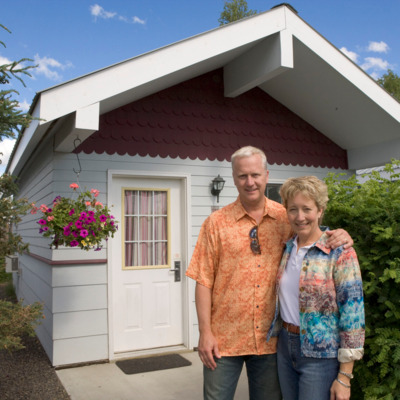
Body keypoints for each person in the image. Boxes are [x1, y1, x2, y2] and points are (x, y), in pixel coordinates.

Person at [186, 146, 353, 400]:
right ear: (234, 178)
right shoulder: (215, 223)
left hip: (270, 342)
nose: (249, 182)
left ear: (266, 175)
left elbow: (313, 233)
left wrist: (340, 235)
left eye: (255, 175)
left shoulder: (285, 218)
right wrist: (205, 332)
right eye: (242, 176)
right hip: (223, 340)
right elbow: (203, 280)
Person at [268, 176, 365, 400]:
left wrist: (344, 377)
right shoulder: (287, 248)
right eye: (293, 209)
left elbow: (353, 317)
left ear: (320, 210)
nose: (300, 217)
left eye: (307, 209)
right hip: (285, 347)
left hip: (320, 357)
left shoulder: (339, 252)